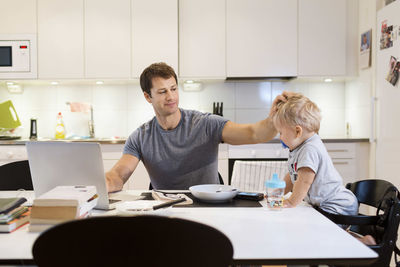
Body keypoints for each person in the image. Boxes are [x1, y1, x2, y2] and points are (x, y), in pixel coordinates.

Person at [106, 62, 284, 192]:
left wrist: (275, 118)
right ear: (147, 97)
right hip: (166, 211)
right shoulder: (140, 137)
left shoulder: (205, 124)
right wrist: (104, 182)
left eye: (174, 89)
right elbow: (119, 175)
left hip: (209, 207)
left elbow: (254, 134)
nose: (171, 96)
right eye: (162, 91)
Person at [272, 92, 376, 245]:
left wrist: (291, 202)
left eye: (281, 132)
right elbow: (293, 175)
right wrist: (279, 193)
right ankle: (359, 241)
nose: (280, 137)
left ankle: (363, 243)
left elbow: (304, 180)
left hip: (337, 204)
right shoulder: (299, 147)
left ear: (298, 131)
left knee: (319, 231)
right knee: (319, 230)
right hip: (328, 203)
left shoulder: (310, 149)